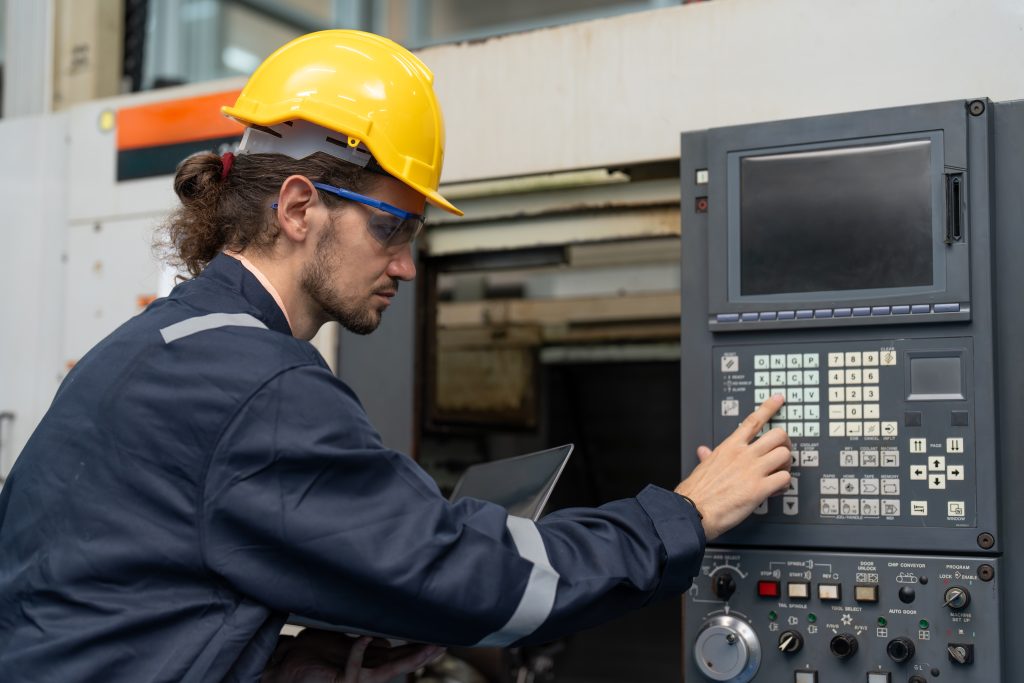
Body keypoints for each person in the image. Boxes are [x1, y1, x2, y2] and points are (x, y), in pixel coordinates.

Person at [0, 30, 791, 682]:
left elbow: (109, 612)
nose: (408, 265)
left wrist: (286, 662)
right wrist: (681, 516)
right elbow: (475, 578)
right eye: (392, 227)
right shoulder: (259, 384)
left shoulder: (151, 347)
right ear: (300, 206)